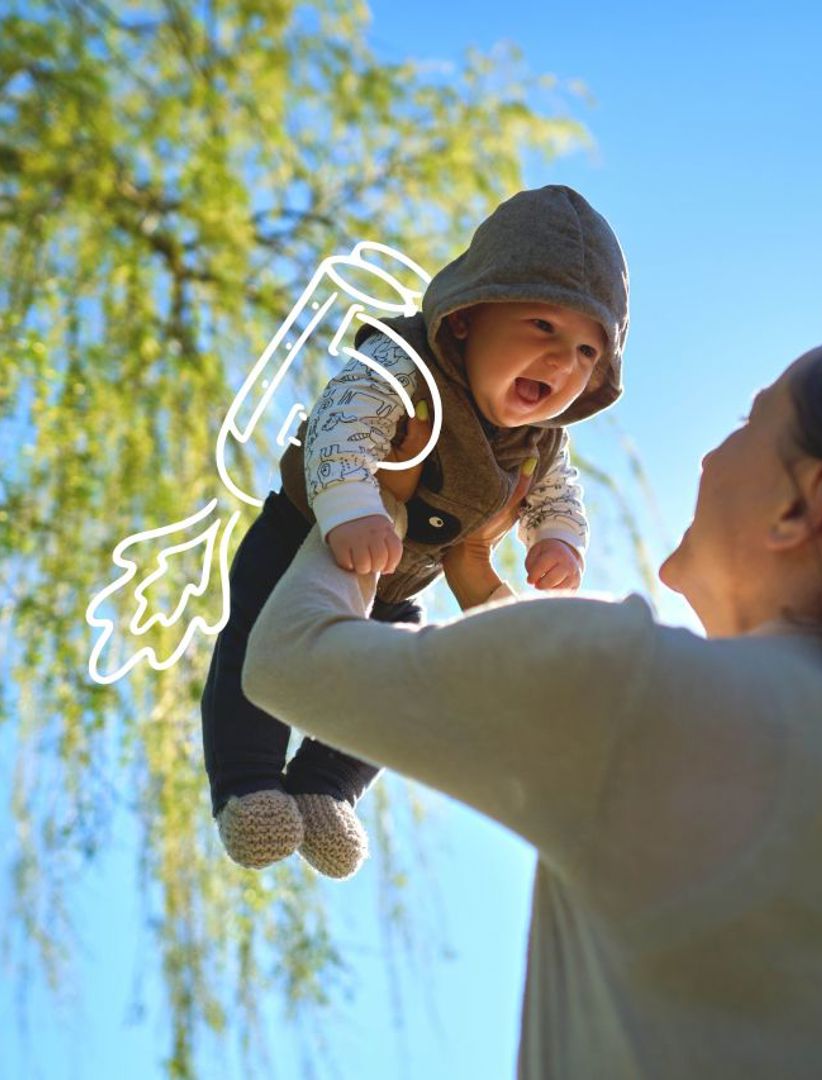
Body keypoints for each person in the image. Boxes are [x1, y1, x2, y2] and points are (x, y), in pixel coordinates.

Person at [241, 287, 822, 1079]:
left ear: (804, 506)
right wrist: (470, 571)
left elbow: (294, 655)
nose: (716, 449)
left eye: (753, 421)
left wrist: (382, 497)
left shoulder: (633, 695)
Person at [201, 185, 630, 877]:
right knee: (257, 640)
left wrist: (557, 540)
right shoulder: (408, 364)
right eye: (543, 327)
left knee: (408, 675)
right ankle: (247, 783)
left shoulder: (540, 439)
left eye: (586, 351)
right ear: (465, 320)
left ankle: (327, 785)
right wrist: (352, 508)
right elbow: (344, 421)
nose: (562, 362)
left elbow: (557, 493)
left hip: (406, 575)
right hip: (305, 534)